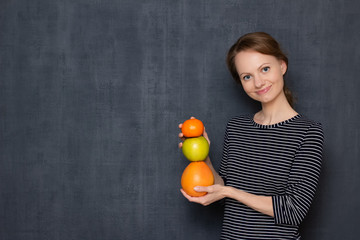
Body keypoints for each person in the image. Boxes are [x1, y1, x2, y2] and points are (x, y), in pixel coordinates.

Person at [178, 32, 324, 240]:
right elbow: (221, 193)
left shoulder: (308, 132)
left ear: (282, 66)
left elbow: (294, 210)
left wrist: (231, 192)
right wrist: (203, 157)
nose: (258, 83)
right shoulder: (236, 127)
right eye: (247, 76)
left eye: (265, 69)